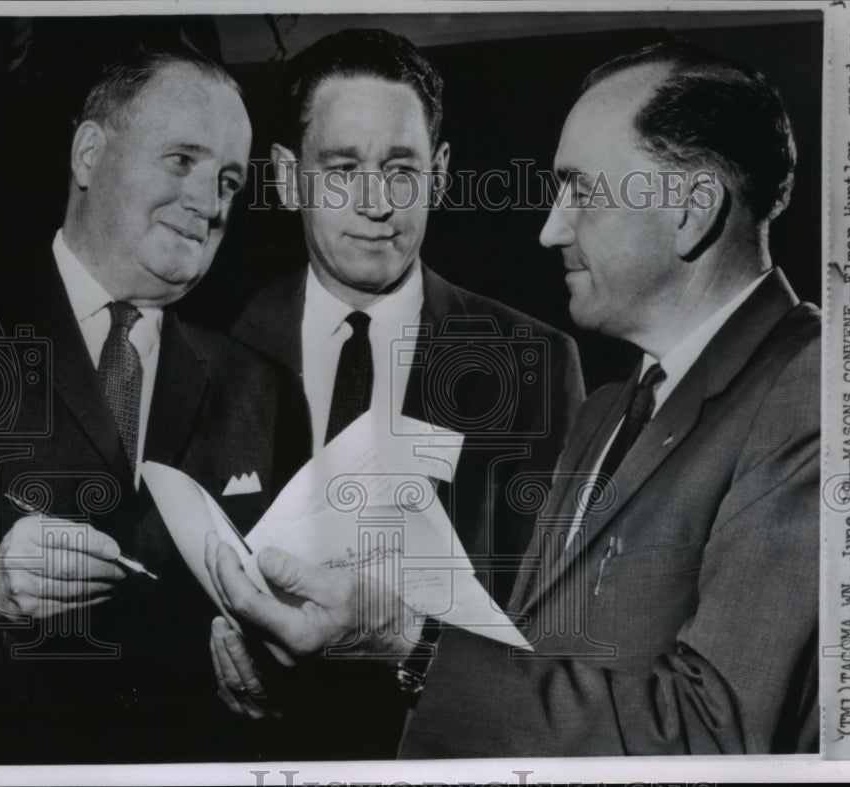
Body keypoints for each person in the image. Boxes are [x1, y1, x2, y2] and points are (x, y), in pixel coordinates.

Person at [209, 39, 819, 756]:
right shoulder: (614, 410)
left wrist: (407, 641)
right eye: (343, 169)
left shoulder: (813, 387)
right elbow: (539, 651)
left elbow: (715, 729)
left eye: (582, 192)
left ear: (691, 211)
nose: (548, 226)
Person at [223, 29, 585, 758]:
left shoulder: (535, 363)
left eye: (400, 168)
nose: (377, 203)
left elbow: (561, 630)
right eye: (341, 167)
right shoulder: (216, 348)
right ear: (289, 175)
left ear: (441, 172)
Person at [0, 48, 309, 763]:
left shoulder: (263, 389)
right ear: (90, 153)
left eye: (228, 180)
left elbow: (297, 631)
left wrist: (279, 668)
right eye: (182, 160)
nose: (210, 203)